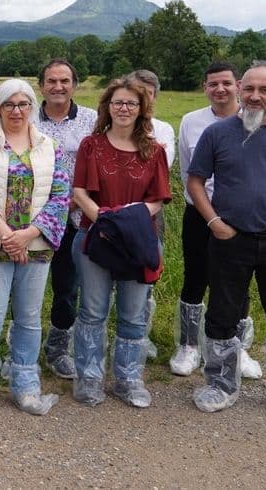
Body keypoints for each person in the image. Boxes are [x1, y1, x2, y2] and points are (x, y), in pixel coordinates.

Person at [187, 61, 266, 414]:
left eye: (265, 90)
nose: (255, 96)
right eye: (249, 89)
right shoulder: (217, 134)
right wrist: (214, 221)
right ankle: (220, 385)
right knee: (222, 314)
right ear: (240, 90)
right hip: (231, 240)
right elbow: (195, 181)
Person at [0, 79, 69, 415]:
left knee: (28, 318)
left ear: (32, 108)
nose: (17, 111)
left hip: (35, 248)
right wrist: (9, 236)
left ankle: (26, 385)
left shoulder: (51, 147)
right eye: (9, 104)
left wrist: (27, 236)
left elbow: (60, 197)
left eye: (23, 104)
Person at [72, 78, 171, 408]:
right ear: (107, 107)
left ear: (142, 108)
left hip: (137, 241)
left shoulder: (154, 150)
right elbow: (79, 192)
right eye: (118, 103)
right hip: (95, 238)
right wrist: (104, 220)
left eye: (131, 103)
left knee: (133, 314)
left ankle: (129, 378)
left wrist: (128, 220)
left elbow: (158, 198)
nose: (124, 108)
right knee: (92, 310)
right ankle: (90, 377)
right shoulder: (91, 145)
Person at [171, 62, 263, 378]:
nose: (220, 89)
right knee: (195, 276)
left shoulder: (256, 120)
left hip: (243, 216)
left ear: (237, 85)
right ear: (205, 87)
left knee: (238, 282)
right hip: (199, 213)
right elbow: (188, 171)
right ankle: (188, 346)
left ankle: (239, 348)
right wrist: (202, 206)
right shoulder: (191, 121)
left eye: (226, 83)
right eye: (213, 84)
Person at [34, 58, 98, 379]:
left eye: (65, 81)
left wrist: (78, 198)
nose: (58, 87)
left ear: (74, 84)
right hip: (32, 218)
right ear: (41, 85)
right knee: (25, 288)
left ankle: (58, 350)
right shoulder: (25, 116)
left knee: (66, 287)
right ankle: (23, 349)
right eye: (51, 81)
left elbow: (99, 163)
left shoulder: (91, 119)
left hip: (74, 217)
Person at [126, 69, 176, 361]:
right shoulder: (108, 128)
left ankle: (140, 337)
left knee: (145, 278)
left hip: (149, 215)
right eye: (135, 95)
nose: (140, 102)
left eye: (146, 95)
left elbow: (157, 173)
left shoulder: (163, 129)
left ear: (154, 97)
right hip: (110, 212)